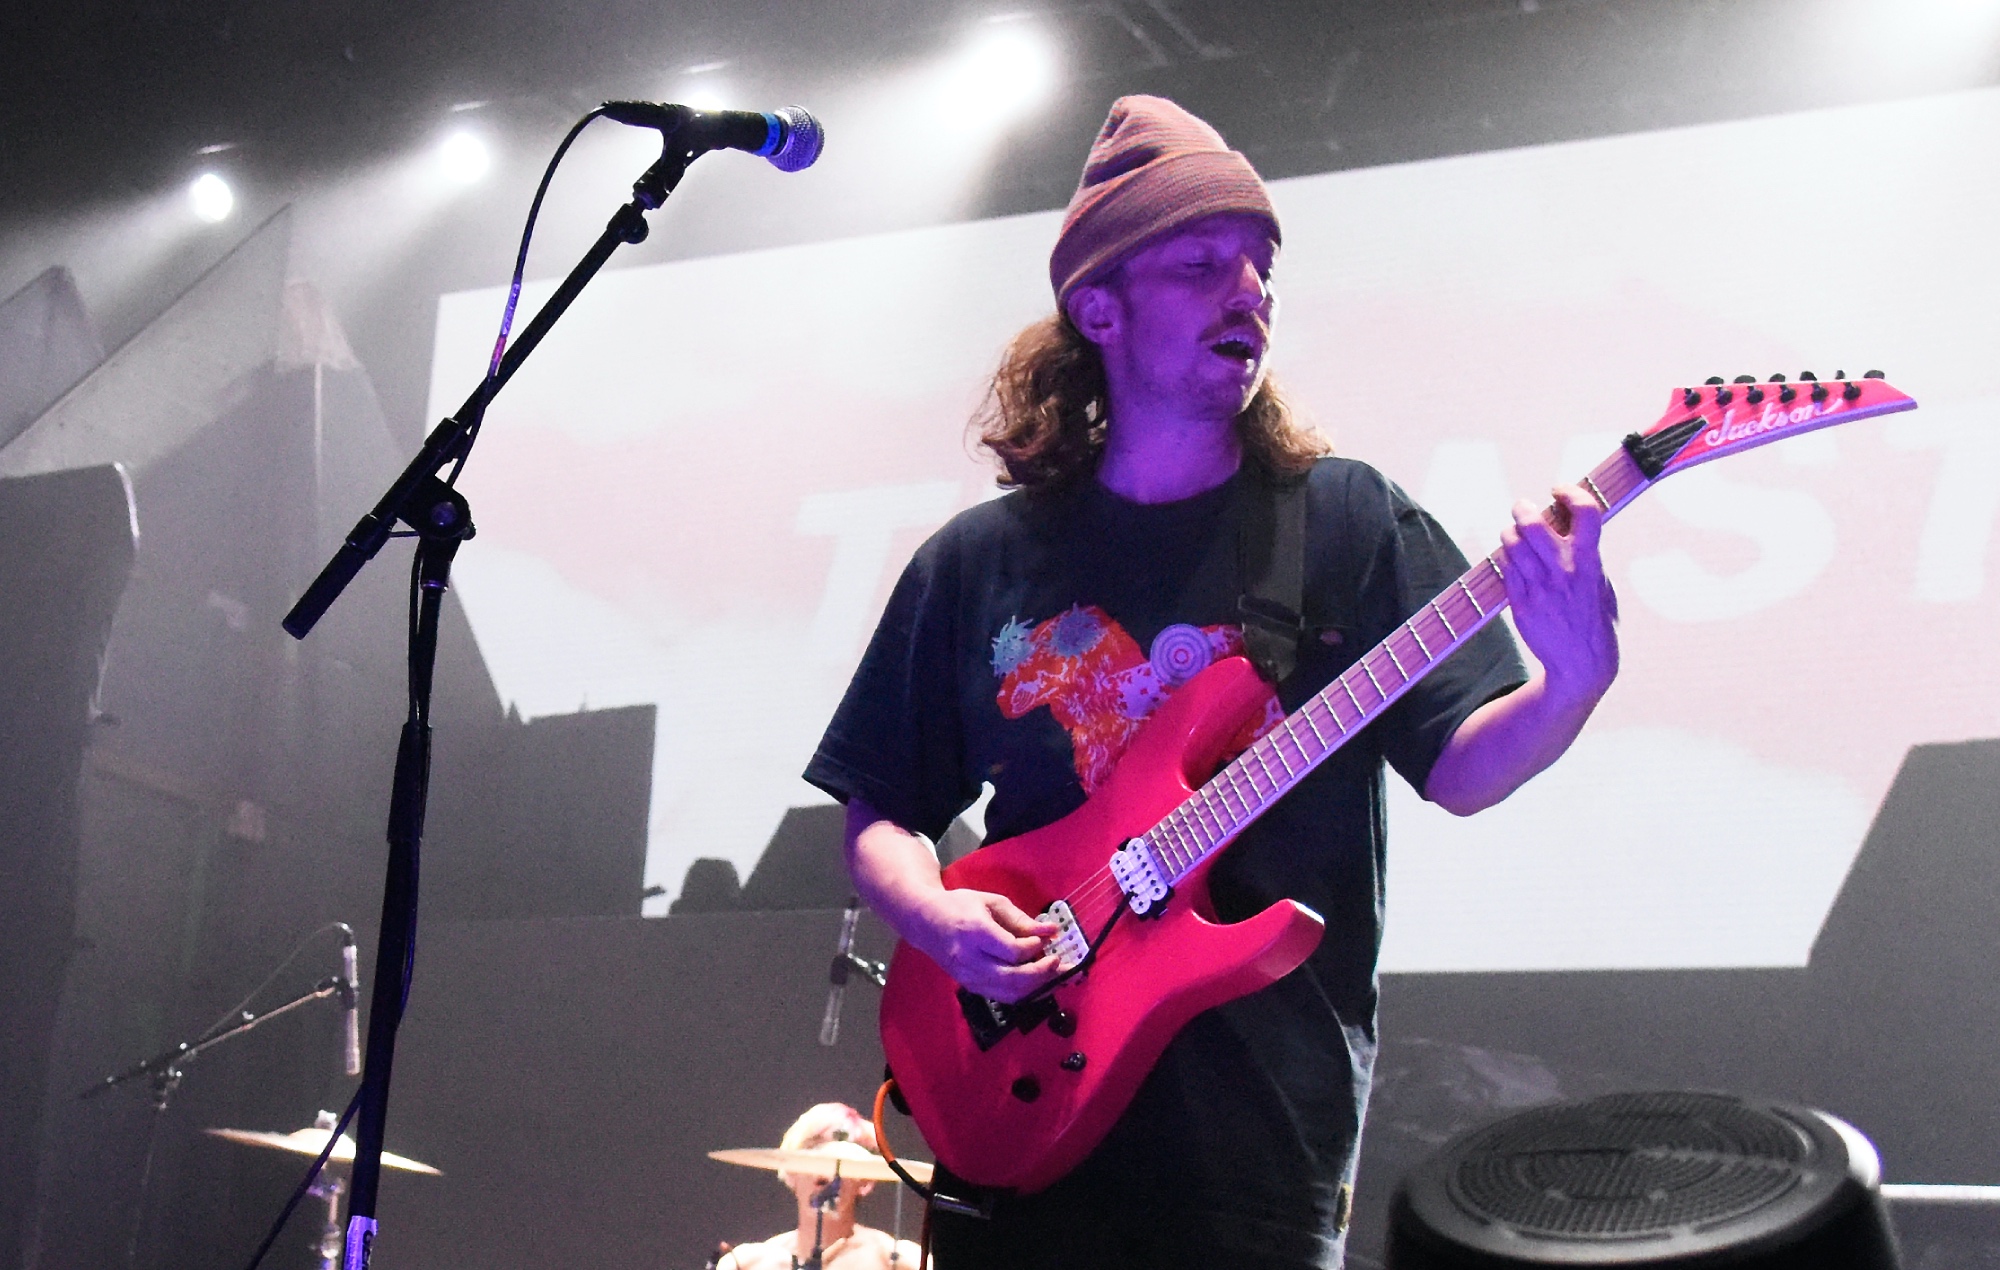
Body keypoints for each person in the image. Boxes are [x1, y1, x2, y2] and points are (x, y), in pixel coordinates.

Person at [803, 96, 1618, 1269]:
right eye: (1199, 262)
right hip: (1017, 1122)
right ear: (1099, 307)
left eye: (1260, 267)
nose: (1247, 291)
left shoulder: (1342, 520)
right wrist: (934, 916)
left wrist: (1573, 681)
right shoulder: (976, 560)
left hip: (1257, 1150)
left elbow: (1464, 764)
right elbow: (879, 806)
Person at [716, 1103, 924, 1270]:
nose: (824, 1175)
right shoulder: (747, 1264)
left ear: (866, 1181)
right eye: (813, 1162)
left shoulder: (900, 1261)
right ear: (790, 1172)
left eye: (842, 1163)